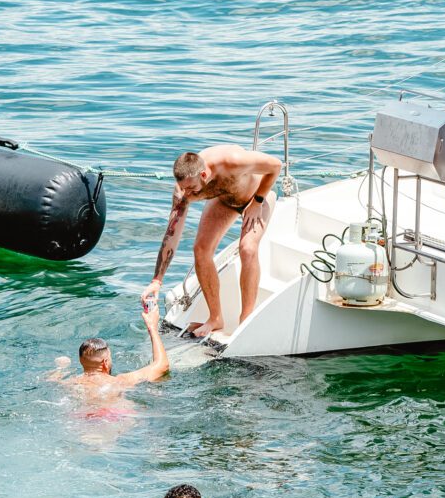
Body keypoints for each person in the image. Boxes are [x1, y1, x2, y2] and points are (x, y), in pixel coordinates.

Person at [141, 145, 282, 337]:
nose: (187, 194)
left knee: (247, 249)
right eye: (183, 188)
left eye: (191, 188)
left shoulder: (233, 161)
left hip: (255, 200)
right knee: (200, 249)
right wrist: (157, 280)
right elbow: (172, 233)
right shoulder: (183, 191)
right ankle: (216, 318)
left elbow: (275, 166)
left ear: (204, 175)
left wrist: (257, 202)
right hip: (224, 202)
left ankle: (245, 320)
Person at [50, 305, 169, 389]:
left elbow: (52, 380)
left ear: (81, 362)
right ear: (105, 363)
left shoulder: (71, 383)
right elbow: (162, 365)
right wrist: (152, 327)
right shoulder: (119, 381)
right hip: (115, 419)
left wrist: (60, 369)